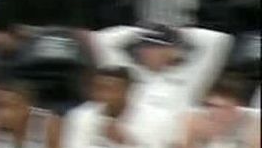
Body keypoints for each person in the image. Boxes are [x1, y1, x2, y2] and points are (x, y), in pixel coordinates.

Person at [90, 23, 233, 116]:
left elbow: (219, 40)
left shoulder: (190, 76)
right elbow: (101, 40)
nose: (151, 53)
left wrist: (178, 33)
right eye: (147, 48)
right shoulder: (128, 72)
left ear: (173, 51)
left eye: (160, 48)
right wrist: (141, 32)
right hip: (131, 142)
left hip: (173, 143)